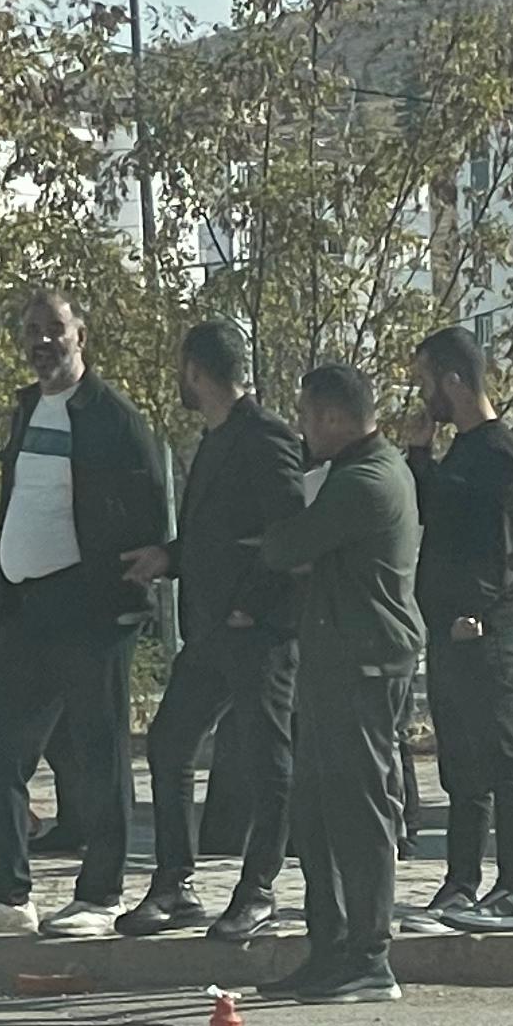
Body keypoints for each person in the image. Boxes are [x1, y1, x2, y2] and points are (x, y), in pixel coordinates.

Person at [0, 286, 171, 938]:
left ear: (81, 336)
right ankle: (8, 895)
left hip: (92, 610)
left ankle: (101, 896)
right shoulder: (25, 411)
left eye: (55, 329)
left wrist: (116, 589)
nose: (44, 341)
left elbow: (148, 513)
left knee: (98, 755)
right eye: (33, 330)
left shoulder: (112, 417)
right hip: (27, 609)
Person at [120, 320, 305, 941]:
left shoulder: (266, 437)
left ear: (197, 372)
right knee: (170, 742)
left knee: (266, 758)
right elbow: (219, 537)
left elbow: (288, 537)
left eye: (182, 370)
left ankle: (258, 890)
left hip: (257, 634)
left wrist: (249, 606)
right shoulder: (216, 439)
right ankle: (175, 882)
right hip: (210, 635)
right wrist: (168, 558)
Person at [250, 359, 425, 1004]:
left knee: (358, 810)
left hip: (364, 663)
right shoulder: (355, 473)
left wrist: (281, 514)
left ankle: (370, 956)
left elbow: (286, 547)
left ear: (331, 417)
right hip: (337, 660)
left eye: (306, 417)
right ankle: (332, 947)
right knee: (318, 811)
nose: (302, 430)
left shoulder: (365, 482)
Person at [396, 326, 513, 933]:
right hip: (449, 627)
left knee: (502, 758)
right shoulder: (460, 450)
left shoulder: (499, 454)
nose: (422, 393)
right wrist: (419, 455)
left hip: (485, 628)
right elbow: (434, 519)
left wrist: (474, 613)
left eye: (426, 381)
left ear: (453, 381)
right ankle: (461, 884)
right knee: (460, 764)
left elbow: (497, 545)